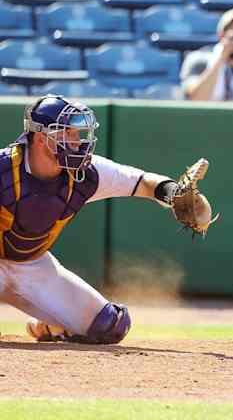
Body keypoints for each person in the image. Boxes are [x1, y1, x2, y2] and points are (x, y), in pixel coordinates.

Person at [0, 95, 213, 344]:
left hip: (32, 266)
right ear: (39, 137)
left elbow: (142, 182)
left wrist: (174, 193)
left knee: (110, 325)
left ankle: (49, 326)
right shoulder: (4, 169)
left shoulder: (86, 174)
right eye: (66, 134)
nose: (77, 141)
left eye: (78, 133)